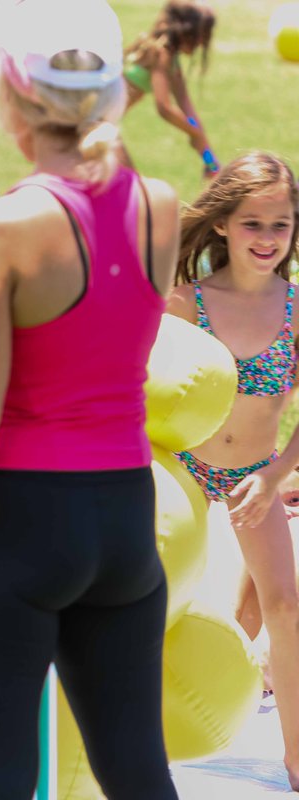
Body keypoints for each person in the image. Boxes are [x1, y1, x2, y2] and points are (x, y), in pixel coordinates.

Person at [0, 0, 181, 796]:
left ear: (11, 93)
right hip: (126, 524)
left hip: (20, 531)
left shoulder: (2, 229)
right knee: (138, 774)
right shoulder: (159, 206)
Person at [167, 151, 299, 790]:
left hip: (256, 474)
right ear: (222, 224)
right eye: (253, 224)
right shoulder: (188, 302)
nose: (268, 239)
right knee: (150, 599)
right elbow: (145, 396)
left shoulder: (294, 308)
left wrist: (275, 477)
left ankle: (297, 759)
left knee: (287, 605)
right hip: (183, 470)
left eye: (281, 224)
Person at [123, 0, 219, 179]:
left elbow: (187, 108)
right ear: (187, 29)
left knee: (133, 187)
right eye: (202, 35)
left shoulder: (170, 58)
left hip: (102, 121)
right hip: (94, 122)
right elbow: (164, 108)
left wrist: (210, 161)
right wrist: (193, 132)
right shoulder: (161, 53)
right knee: (133, 188)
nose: (201, 43)